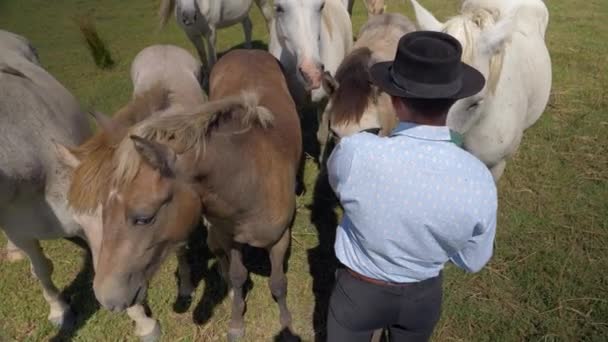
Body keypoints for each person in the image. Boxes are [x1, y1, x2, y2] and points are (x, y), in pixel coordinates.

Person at [326, 31, 498, 341]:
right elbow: (473, 260)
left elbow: (338, 186)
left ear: (393, 100)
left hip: (359, 293)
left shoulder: (355, 152)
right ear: (454, 100)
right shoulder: (479, 180)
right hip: (423, 296)